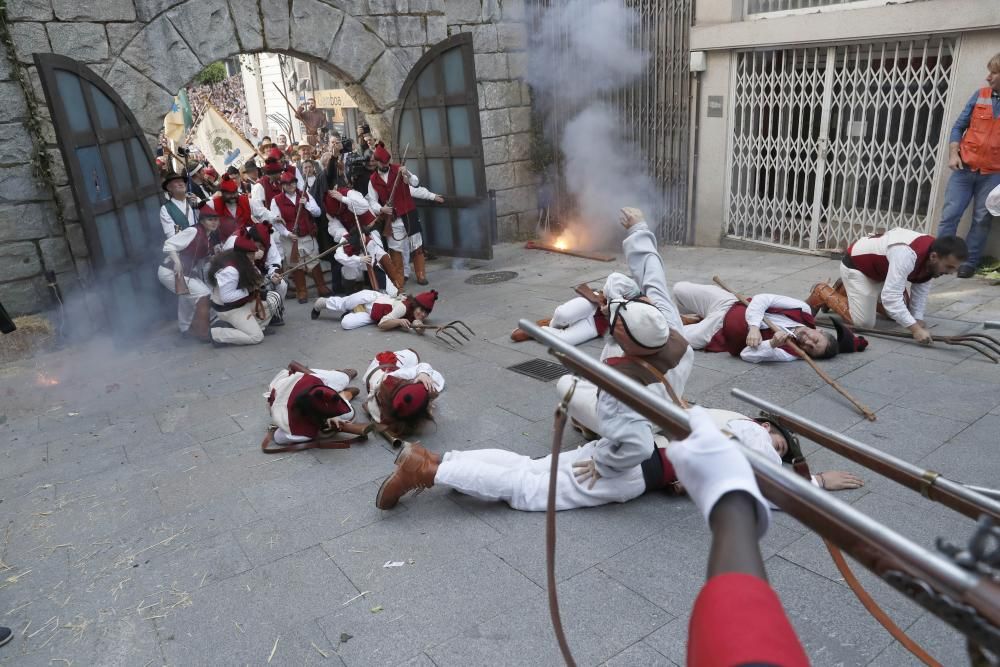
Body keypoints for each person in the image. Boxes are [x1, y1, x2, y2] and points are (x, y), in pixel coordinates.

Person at [668, 408, 810, 667]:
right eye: (780, 445)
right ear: (767, 427)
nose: (779, 452)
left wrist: (729, 494)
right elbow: (767, 471)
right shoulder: (755, 431)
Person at [556, 208, 695, 439]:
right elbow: (654, 278)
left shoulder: (618, 368)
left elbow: (624, 431)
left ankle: (587, 424)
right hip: (666, 401)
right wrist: (639, 227)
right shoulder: (674, 332)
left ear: (624, 343)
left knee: (566, 384)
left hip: (636, 425)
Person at [808, 230, 967, 343]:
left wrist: (917, 318)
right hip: (858, 268)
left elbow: (921, 285)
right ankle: (821, 292)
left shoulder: (934, 255)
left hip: (882, 272)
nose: (952, 273)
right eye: (949, 267)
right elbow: (891, 298)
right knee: (864, 324)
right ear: (934, 257)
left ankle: (846, 290)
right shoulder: (907, 254)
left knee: (902, 313)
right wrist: (915, 330)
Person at [673, 283, 867, 363]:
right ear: (820, 331)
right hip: (730, 302)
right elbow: (763, 298)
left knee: (670, 336)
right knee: (679, 290)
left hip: (716, 331)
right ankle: (696, 316)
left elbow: (747, 354)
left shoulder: (790, 352)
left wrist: (772, 344)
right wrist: (754, 327)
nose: (808, 343)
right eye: (815, 340)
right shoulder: (803, 311)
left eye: (811, 349)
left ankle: (694, 322)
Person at [937, 53, 1000, 278]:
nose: (988, 77)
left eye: (993, 72)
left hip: (993, 174)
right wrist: (954, 154)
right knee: (950, 214)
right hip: (964, 168)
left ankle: (968, 263)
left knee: (982, 220)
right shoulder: (980, 96)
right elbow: (958, 127)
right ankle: (940, 258)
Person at [366, 143, 445, 286]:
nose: (385, 165)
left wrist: (407, 173)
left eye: (387, 162)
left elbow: (415, 183)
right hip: (392, 218)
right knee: (395, 249)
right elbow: (372, 201)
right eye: (382, 163)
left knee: (416, 245)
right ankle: (399, 278)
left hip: (409, 213)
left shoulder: (399, 170)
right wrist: (381, 209)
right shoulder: (372, 180)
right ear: (377, 162)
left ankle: (421, 274)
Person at [262, 362, 365, 447]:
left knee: (342, 379)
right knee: (348, 414)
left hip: (311, 380)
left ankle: (342, 377)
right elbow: (278, 437)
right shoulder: (295, 426)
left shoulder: (316, 380)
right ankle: (344, 395)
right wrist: (322, 428)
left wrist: (331, 416)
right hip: (290, 394)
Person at [158, 202, 219, 341]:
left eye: (216, 219)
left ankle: (186, 329)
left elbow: (201, 258)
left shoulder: (208, 236)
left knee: (189, 295)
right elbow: (168, 244)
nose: (214, 222)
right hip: (170, 270)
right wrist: (178, 262)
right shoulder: (194, 231)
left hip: (187, 272)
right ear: (202, 221)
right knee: (203, 295)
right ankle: (202, 332)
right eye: (210, 219)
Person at [207, 235, 282, 346]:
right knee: (256, 338)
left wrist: (272, 279)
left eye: (253, 253)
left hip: (242, 304)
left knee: (272, 299)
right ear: (242, 254)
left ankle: (253, 327)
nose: (253, 256)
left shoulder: (243, 261)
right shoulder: (230, 270)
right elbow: (227, 297)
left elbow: (258, 280)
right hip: (229, 309)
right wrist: (249, 290)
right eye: (250, 254)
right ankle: (218, 333)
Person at [326, 185, 403, 292]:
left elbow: (363, 206)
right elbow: (334, 227)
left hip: (369, 229)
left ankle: (395, 284)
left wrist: (343, 199)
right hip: (351, 236)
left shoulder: (350, 194)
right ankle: (355, 289)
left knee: (379, 255)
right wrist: (347, 236)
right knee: (352, 262)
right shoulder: (329, 210)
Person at [269, 170, 329, 303]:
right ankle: (301, 290)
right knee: (296, 264)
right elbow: (276, 221)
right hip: (289, 238)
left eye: (293, 182)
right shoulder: (276, 200)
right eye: (287, 183)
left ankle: (321, 286)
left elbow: (318, 212)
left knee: (314, 259)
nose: (291, 185)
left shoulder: (305, 195)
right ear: (282, 185)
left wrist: (306, 204)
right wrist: (287, 233)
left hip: (307, 234)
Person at [362, 349, 444, 441]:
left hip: (383, 367)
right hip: (384, 368)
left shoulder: (397, 376)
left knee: (414, 355)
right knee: (414, 356)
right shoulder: (398, 377)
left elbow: (425, 368)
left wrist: (423, 374)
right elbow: (437, 378)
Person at [510, 290, 609, 346]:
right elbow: (615, 280)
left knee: (564, 342)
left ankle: (535, 330)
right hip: (596, 301)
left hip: (602, 323)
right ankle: (551, 323)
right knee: (563, 314)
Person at [311, 288, 438, 332]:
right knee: (342, 304)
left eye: (426, 313)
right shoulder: (403, 307)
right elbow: (382, 325)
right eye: (421, 310)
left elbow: (419, 328)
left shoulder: (415, 315)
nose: (422, 314)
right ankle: (319, 303)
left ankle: (353, 311)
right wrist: (399, 322)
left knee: (346, 324)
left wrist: (419, 326)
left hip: (373, 315)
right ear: (415, 305)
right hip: (370, 299)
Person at [205, 174, 253, 243]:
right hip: (227, 243)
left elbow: (262, 213)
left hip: (248, 239)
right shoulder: (213, 204)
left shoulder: (246, 200)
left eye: (234, 193)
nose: (233, 196)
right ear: (222, 193)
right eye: (229, 194)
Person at [159, 171, 199, 238]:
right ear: (169, 188)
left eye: (182, 181)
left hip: (203, 241)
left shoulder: (195, 199)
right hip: (185, 245)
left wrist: (196, 206)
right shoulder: (166, 209)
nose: (181, 184)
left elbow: (206, 219)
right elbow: (172, 234)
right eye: (176, 182)